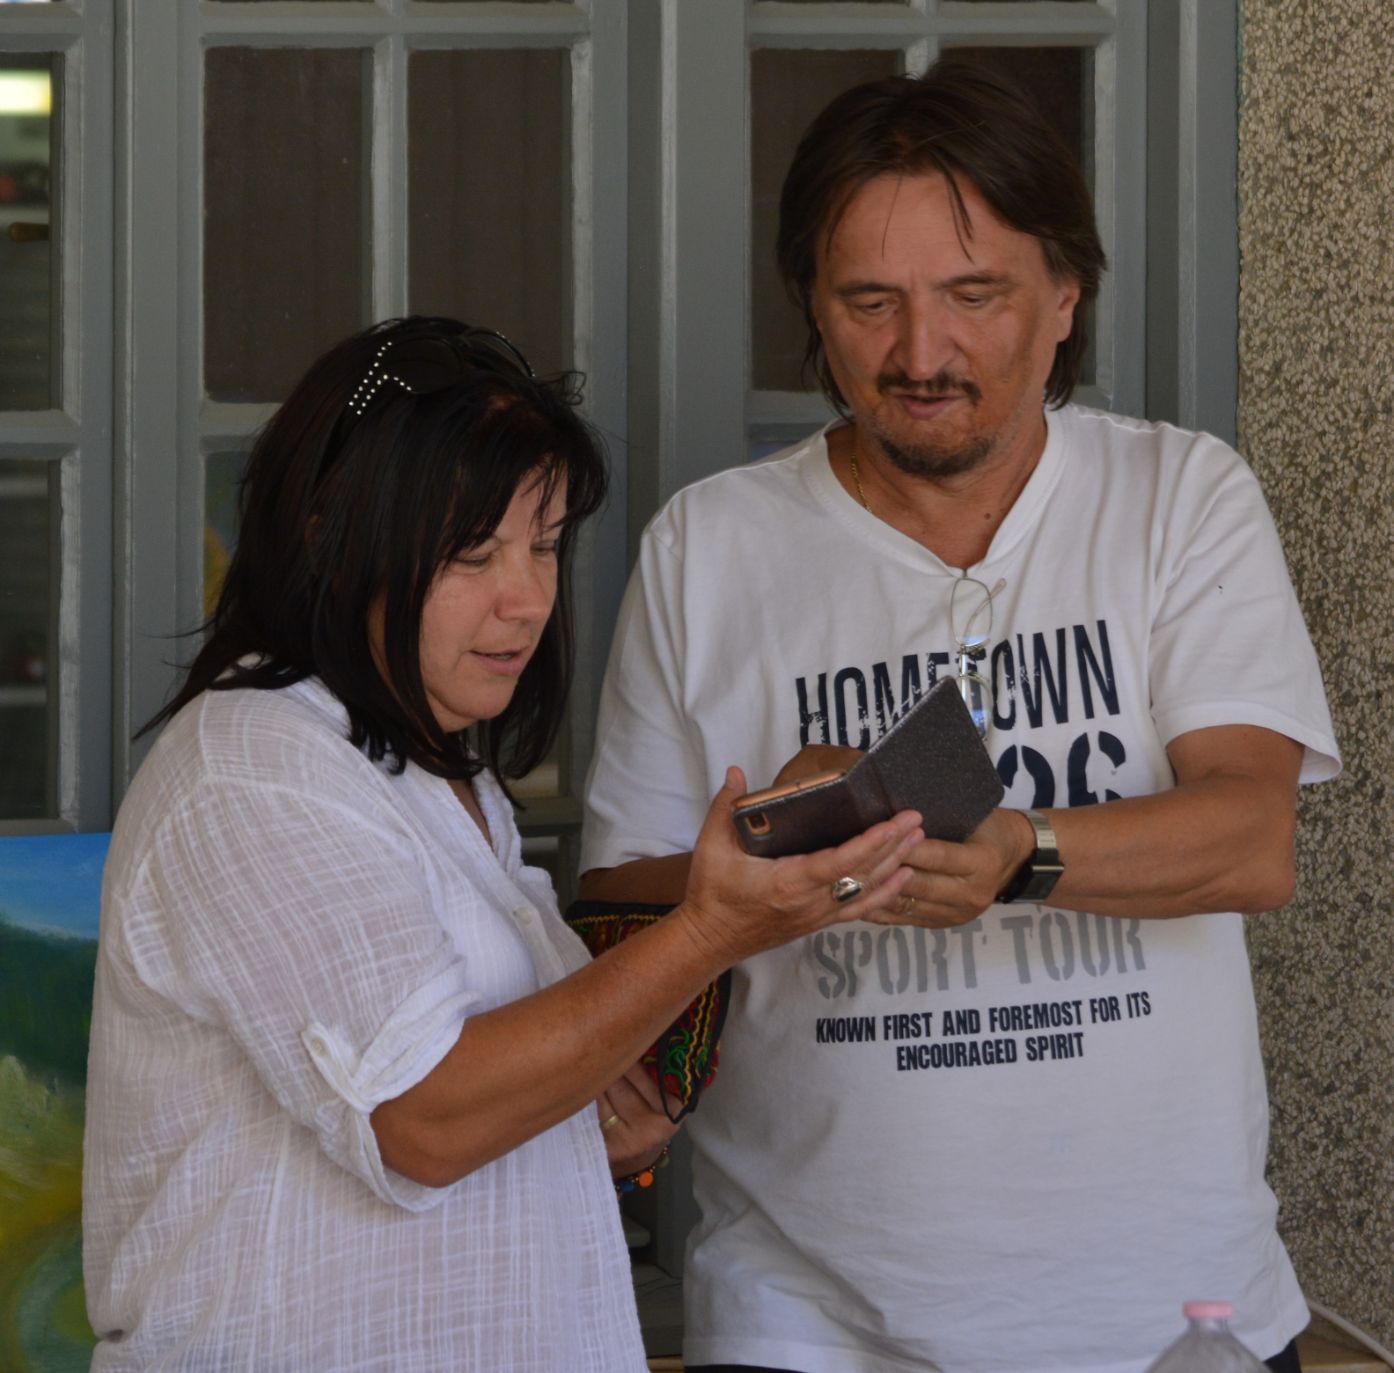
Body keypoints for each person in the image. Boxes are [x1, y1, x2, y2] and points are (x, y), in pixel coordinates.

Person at [580, 61, 1340, 1373]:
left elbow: (1247, 840)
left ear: (1064, 295)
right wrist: (769, 847)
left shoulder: (1177, 497)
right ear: (812, 308)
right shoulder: (707, 546)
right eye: (867, 301)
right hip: (802, 1320)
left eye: (971, 295)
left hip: (1169, 1317)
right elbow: (617, 901)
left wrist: (1016, 855)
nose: (918, 353)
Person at [81, 316, 924, 1371]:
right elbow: (426, 1120)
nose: (525, 598)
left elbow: (498, 1083)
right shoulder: (253, 763)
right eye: (472, 552)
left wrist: (589, 1114)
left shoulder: (445, 775)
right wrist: (713, 928)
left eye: (545, 544)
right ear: (330, 537)